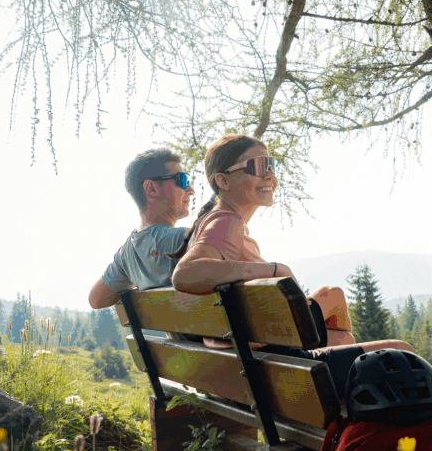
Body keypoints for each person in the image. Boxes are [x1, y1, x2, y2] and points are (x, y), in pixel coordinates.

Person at [169, 134, 412, 390]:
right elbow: (185, 274)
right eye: (258, 167)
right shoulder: (226, 221)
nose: (269, 175)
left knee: (342, 333)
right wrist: (274, 269)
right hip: (278, 369)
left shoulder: (212, 222)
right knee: (402, 353)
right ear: (223, 180)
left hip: (257, 364)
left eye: (271, 165)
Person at [88, 148, 196, 309]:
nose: (191, 190)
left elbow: (96, 300)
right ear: (151, 188)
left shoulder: (127, 254)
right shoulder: (188, 239)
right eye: (182, 180)